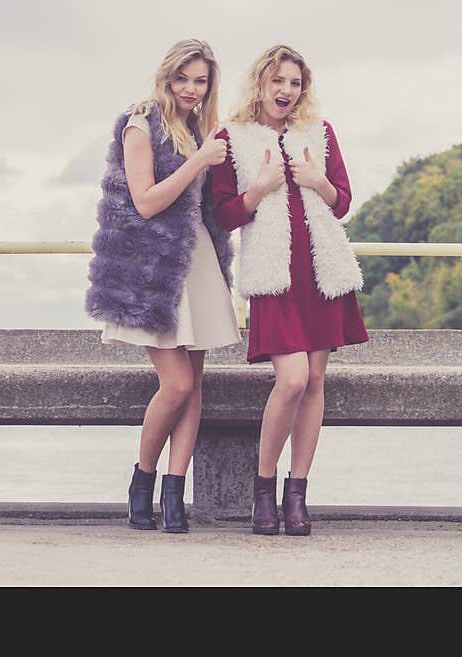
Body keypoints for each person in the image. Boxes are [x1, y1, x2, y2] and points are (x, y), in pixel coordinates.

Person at [211, 44, 369, 536]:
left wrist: (318, 181)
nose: (286, 90)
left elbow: (341, 203)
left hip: (322, 276)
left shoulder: (319, 134)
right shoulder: (230, 138)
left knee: (316, 381)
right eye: (277, 80)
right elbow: (223, 214)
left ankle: (297, 493)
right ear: (260, 83)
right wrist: (258, 188)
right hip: (273, 276)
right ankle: (263, 487)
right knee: (293, 380)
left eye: (295, 83)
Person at [85, 39, 239, 533]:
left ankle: (176, 494)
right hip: (154, 271)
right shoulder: (140, 122)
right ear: (167, 76)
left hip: (198, 264)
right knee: (175, 384)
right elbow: (146, 201)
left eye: (201, 81)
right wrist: (198, 162)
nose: (192, 89)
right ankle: (142, 480)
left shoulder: (200, 127)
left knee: (195, 387)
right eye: (184, 79)